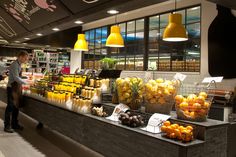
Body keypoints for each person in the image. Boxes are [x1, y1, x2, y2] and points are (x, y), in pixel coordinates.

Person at [4, 51, 28, 133]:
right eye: (25, 58)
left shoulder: (19, 64)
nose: (26, 60)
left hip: (16, 88)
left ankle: (14, 124)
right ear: (20, 57)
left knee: (16, 107)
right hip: (11, 88)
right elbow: (16, 78)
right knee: (10, 107)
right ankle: (7, 126)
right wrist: (26, 82)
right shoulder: (15, 65)